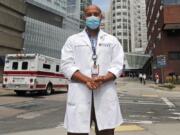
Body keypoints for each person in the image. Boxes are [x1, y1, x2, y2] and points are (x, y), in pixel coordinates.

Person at [61, 5, 124, 135]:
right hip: (80, 94)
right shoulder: (72, 40)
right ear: (84, 17)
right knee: (76, 132)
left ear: (101, 16)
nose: (92, 17)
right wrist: (87, 80)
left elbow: (117, 65)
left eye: (96, 14)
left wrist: (103, 78)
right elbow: (66, 65)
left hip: (104, 93)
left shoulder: (112, 41)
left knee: (106, 131)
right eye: (89, 14)